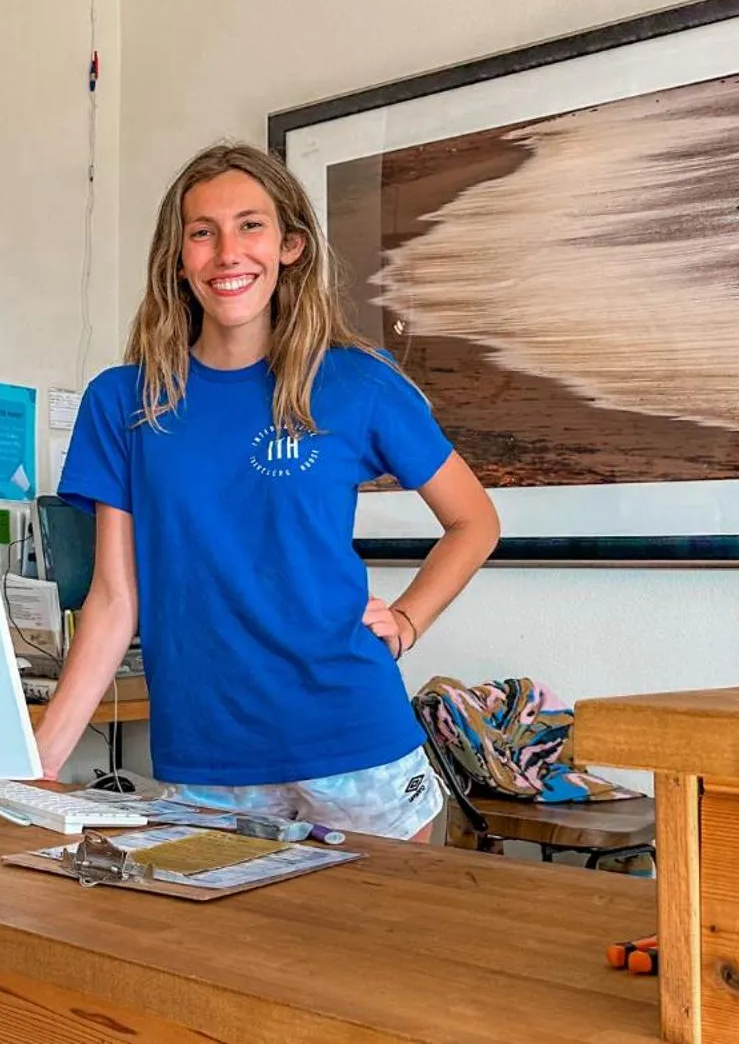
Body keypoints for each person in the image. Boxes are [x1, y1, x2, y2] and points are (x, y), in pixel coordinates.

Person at [36, 141, 500, 841]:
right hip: (207, 756)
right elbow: (113, 597)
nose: (228, 252)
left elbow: (475, 521)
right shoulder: (125, 401)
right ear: (177, 257)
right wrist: (41, 758)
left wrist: (407, 619)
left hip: (354, 742)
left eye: (249, 225)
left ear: (289, 245)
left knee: (380, 920)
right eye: (203, 232)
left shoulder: (355, 382)